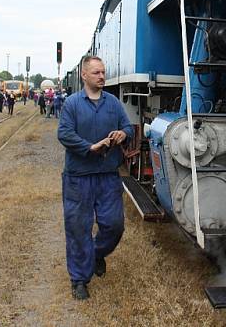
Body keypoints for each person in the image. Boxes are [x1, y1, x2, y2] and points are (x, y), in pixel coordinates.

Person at [57, 55, 133, 301]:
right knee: (78, 228)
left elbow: (128, 128)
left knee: (114, 225)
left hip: (108, 176)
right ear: (84, 75)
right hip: (79, 177)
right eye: (97, 73)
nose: (102, 76)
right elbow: (65, 134)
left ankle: (96, 253)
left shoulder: (113, 102)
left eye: (103, 72)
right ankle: (79, 279)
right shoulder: (72, 104)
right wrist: (90, 147)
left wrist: (123, 133)